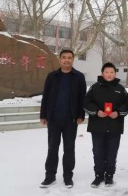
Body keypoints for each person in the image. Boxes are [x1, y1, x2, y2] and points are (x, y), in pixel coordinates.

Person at [39, 49, 87, 188]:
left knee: (69, 148)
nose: (67, 60)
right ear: (59, 59)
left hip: (71, 120)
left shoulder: (79, 77)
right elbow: (46, 97)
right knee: (52, 148)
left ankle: (68, 177)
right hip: (53, 119)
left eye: (69, 57)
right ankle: (50, 176)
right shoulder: (52, 76)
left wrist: (80, 115)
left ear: (73, 59)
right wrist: (43, 115)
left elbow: (82, 98)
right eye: (64, 57)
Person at [83, 62, 128, 188]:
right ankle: (98, 176)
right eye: (107, 72)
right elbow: (86, 103)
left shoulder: (120, 89)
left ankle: (109, 176)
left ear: (115, 74)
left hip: (115, 126)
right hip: (97, 126)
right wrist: (97, 112)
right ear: (102, 73)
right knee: (98, 152)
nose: (109, 75)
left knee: (112, 152)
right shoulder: (95, 87)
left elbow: (127, 105)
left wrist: (118, 112)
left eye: (111, 72)